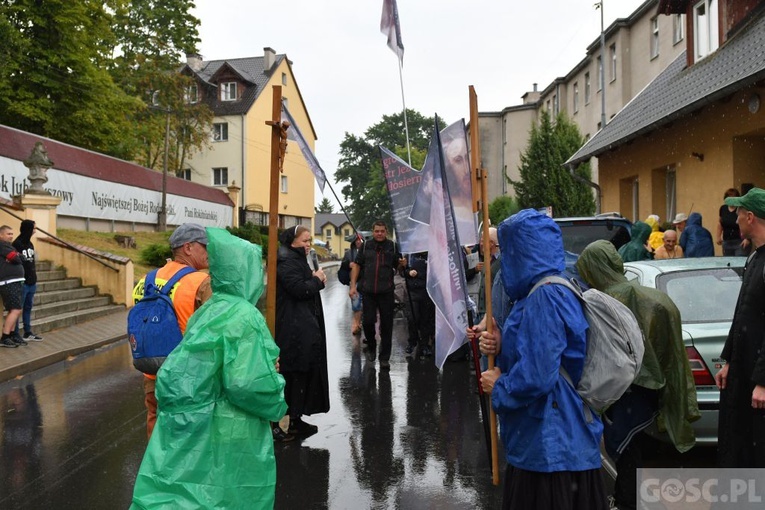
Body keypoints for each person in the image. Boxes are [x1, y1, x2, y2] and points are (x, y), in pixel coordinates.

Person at [131, 228, 287, 510]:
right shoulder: (213, 293)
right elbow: (246, 382)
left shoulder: (147, 280)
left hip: (167, 379)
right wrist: (272, 386)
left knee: (174, 461)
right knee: (222, 481)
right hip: (218, 406)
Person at [479, 209, 608, 510]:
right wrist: (500, 344)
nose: (502, 258)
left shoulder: (544, 296)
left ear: (520, 250)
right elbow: (546, 350)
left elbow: (537, 375)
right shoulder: (551, 288)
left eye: (506, 250)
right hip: (557, 440)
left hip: (550, 446)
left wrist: (500, 386)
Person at [576, 240, 699, 510]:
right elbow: (668, 354)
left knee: (625, 452)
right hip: (647, 393)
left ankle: (626, 501)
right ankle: (627, 498)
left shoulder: (601, 303)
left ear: (594, 268)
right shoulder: (655, 300)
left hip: (620, 393)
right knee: (635, 450)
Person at [132, 223, 211, 438]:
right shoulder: (200, 282)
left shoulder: (145, 280)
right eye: (205, 246)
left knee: (156, 428)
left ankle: (154, 470)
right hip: (186, 376)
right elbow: (215, 331)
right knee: (186, 438)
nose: (209, 252)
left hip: (151, 370)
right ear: (188, 247)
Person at [715, 186, 765, 468]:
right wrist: (729, 361)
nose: (733, 222)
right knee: (739, 448)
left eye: (738, 214)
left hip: (758, 381)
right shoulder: (754, 257)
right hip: (743, 371)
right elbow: (742, 314)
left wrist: (762, 381)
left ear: (750, 217)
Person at [276, 225, 329, 437]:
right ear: (292, 241)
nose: (308, 245)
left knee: (303, 371)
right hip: (293, 327)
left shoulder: (296, 259)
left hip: (301, 324)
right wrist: (316, 280)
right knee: (294, 372)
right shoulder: (287, 262)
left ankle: (297, 418)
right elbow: (300, 289)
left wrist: (316, 280)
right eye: (305, 241)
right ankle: (288, 423)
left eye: (310, 241)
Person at [350, 221, 405, 369]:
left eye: (382, 231)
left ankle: (384, 358)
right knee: (368, 322)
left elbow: (398, 267)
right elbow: (357, 265)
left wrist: (402, 264)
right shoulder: (366, 246)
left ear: (386, 231)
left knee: (387, 326)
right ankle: (372, 347)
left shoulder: (392, 246)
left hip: (386, 292)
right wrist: (353, 285)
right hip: (368, 291)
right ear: (373, 232)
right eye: (376, 231)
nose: (379, 233)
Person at [13, 220, 42, 342]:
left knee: (28, 307)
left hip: (31, 282)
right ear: (28, 229)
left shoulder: (30, 244)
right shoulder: (17, 244)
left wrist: (34, 278)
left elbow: (31, 262)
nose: (35, 230)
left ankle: (27, 331)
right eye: (33, 228)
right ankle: (14, 333)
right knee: (17, 308)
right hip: (22, 283)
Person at [402, 252, 434, 358]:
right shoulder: (409, 255)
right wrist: (408, 272)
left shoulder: (431, 255)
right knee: (412, 318)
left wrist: (419, 274)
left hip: (427, 291)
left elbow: (435, 273)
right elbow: (402, 271)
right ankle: (412, 341)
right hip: (412, 292)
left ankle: (424, 345)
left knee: (425, 319)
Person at [0, 225, 26, 348]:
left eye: (12, 234)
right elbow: (16, 258)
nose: (11, 236)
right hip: (8, 282)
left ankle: (10, 335)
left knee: (16, 310)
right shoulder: (2, 245)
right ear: (1, 235)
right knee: (15, 310)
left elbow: (20, 257)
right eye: (8, 234)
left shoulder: (9, 246)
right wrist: (18, 256)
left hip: (15, 281)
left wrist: (18, 256)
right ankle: (5, 337)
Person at [342, 234, 365, 335]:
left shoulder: (367, 252)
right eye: (357, 240)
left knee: (367, 305)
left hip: (366, 281)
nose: (358, 242)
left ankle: (361, 323)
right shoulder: (348, 253)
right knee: (356, 304)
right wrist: (348, 264)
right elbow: (343, 266)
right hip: (354, 282)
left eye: (360, 240)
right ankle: (356, 324)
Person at [717, 188, 747, 256]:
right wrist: (718, 236)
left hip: (739, 241)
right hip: (726, 242)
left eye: (733, 198)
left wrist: (747, 238)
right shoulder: (723, 208)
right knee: (728, 263)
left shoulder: (741, 208)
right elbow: (720, 223)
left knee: (738, 262)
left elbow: (746, 223)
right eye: (729, 198)